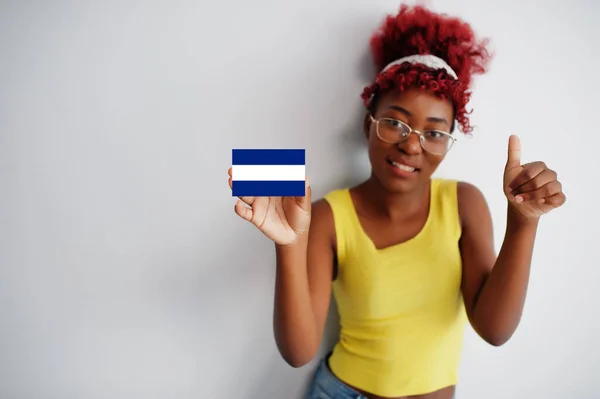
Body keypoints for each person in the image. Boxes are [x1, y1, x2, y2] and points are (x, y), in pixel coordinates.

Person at [227, 4, 566, 399]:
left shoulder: (464, 204)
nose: (410, 145)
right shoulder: (327, 216)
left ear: (449, 143)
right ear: (367, 123)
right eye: (395, 122)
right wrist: (288, 245)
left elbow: (494, 329)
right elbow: (298, 351)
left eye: (434, 133)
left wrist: (523, 223)